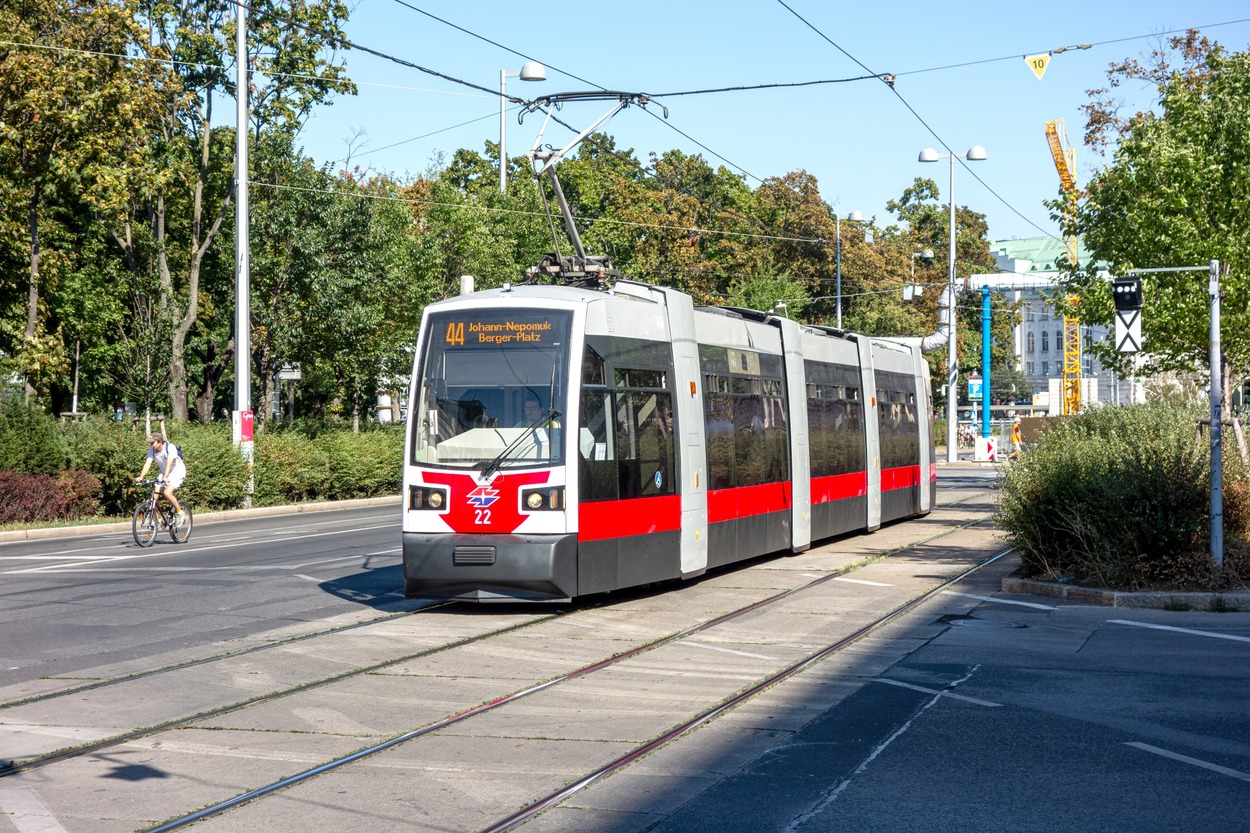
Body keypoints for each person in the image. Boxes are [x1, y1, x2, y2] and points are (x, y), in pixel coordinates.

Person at [136, 434, 187, 526]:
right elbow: (148, 463)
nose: (151, 445)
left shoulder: (170, 447)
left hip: (177, 472)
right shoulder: (152, 450)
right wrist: (141, 477)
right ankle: (155, 522)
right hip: (163, 473)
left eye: (152, 443)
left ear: (159, 442)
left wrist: (166, 477)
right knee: (154, 498)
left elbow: (169, 463)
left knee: (167, 493)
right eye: (150, 443)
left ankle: (179, 512)